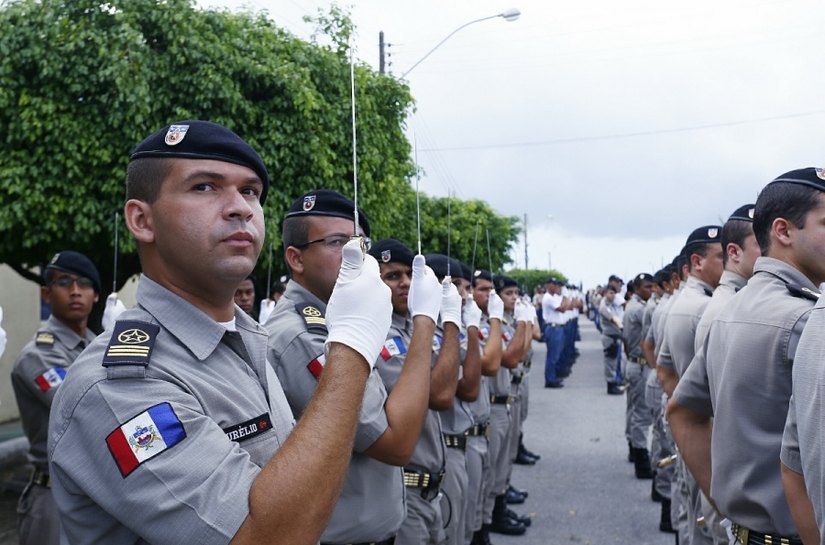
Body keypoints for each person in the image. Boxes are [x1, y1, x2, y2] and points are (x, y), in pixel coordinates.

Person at [47, 120, 393, 545]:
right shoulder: (116, 385)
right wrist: (351, 346)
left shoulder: (247, 342)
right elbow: (267, 538)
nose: (240, 208)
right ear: (142, 220)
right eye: (205, 187)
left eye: (250, 191)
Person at [668, 167, 825, 545]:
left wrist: (728, 507)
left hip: (744, 534)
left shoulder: (730, 309)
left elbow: (683, 413)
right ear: (783, 231)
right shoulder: (807, 320)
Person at [264, 194, 432, 545]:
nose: (356, 254)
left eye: (361, 244)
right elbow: (396, 444)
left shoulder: (339, 319)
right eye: (337, 242)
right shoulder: (303, 336)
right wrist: (424, 320)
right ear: (296, 258)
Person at [368, 240, 458, 545]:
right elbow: (440, 395)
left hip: (431, 487)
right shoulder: (381, 334)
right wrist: (448, 321)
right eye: (393, 276)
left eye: (409, 274)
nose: (405, 283)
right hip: (406, 488)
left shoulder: (410, 329)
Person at [11, 250, 100, 545]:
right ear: (46, 294)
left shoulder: (97, 345)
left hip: (97, 494)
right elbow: (86, 405)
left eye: (84, 283)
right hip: (53, 497)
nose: (75, 291)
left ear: (96, 296)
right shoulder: (38, 354)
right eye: (64, 282)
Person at [622, 273, 655, 480]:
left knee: (633, 409)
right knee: (642, 414)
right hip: (641, 364)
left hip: (633, 362)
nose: (651, 290)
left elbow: (626, 340)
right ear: (636, 289)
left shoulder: (631, 306)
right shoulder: (641, 309)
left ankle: (634, 448)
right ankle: (641, 460)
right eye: (647, 287)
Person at [542, 277, 570, 388]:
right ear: (548, 285)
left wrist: (564, 298)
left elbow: (566, 307)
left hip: (557, 328)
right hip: (553, 328)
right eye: (553, 284)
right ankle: (550, 379)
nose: (556, 286)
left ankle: (553, 376)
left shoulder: (553, 297)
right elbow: (562, 309)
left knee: (555, 354)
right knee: (552, 356)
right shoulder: (548, 298)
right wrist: (565, 296)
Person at [600, 284, 624, 395]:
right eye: (610, 293)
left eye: (614, 293)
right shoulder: (605, 306)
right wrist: (622, 328)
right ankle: (611, 385)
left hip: (614, 336)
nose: (613, 295)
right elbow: (615, 319)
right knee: (610, 362)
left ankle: (614, 382)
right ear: (605, 293)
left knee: (614, 361)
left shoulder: (611, 304)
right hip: (609, 337)